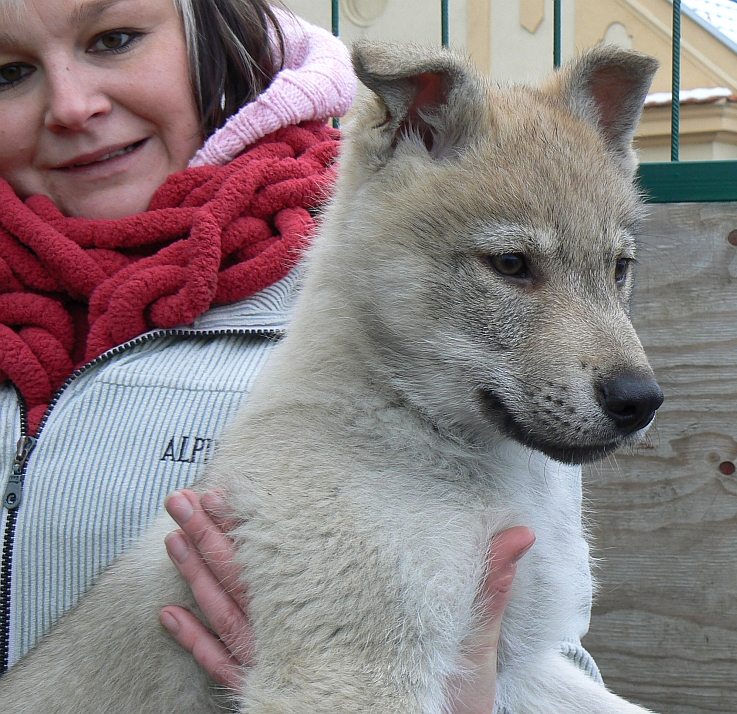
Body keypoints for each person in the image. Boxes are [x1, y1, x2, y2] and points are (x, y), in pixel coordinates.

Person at [0, 0, 599, 709]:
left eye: (115, 39)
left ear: (213, 32)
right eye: (9, 71)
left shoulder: (411, 325)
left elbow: (538, 658)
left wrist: (457, 696)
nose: (72, 104)